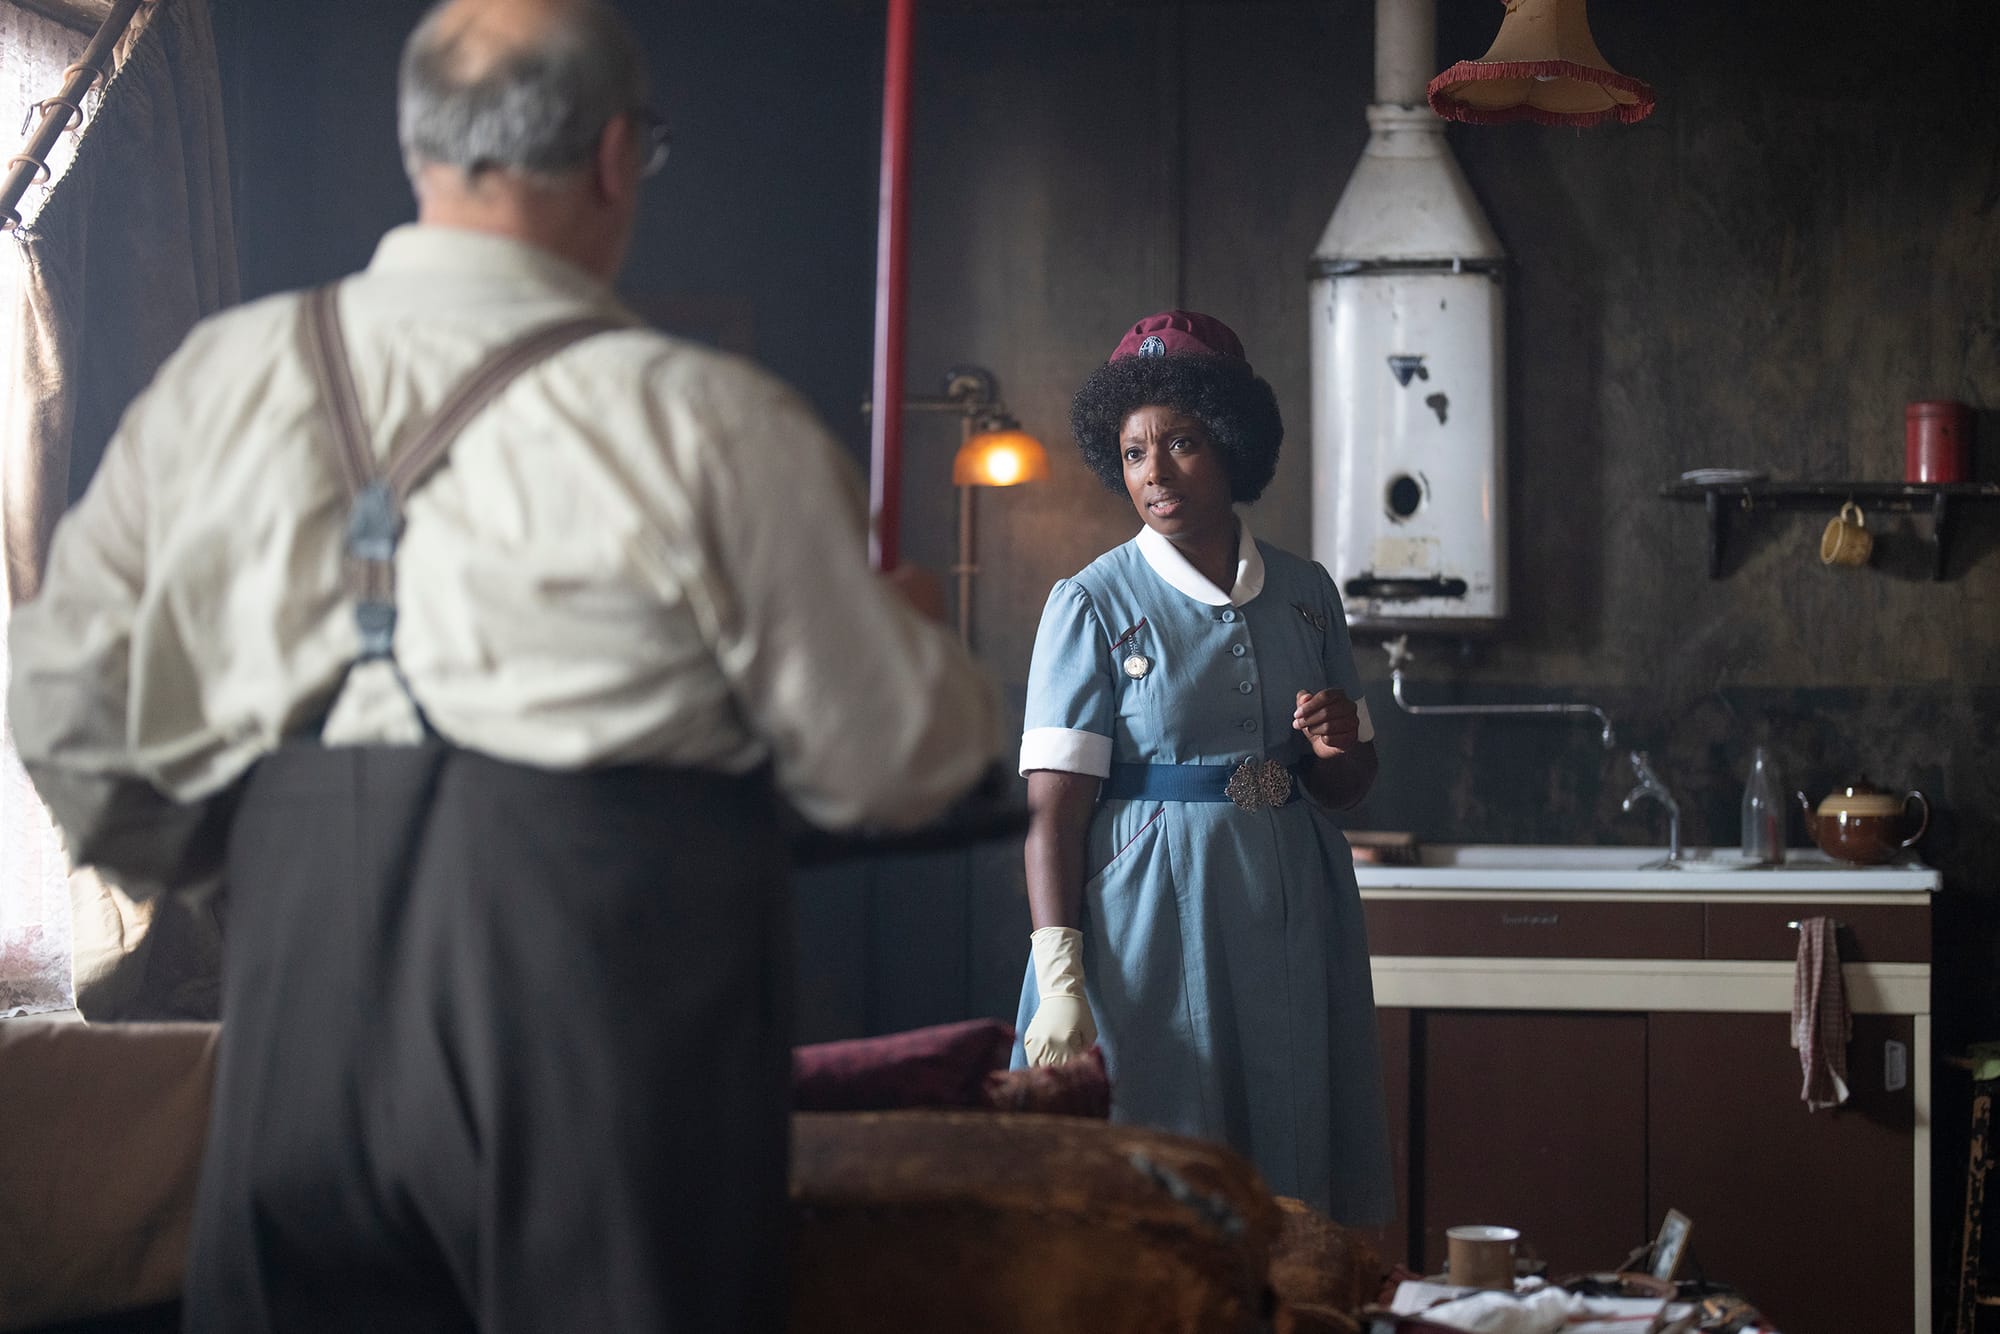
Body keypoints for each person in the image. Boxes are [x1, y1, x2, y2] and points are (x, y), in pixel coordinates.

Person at [7, 0, 1001, 1327]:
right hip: (610, 1056)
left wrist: (241, 877)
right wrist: (916, 631)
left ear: (420, 147)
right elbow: (907, 762)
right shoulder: (705, 423)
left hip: (298, 1033)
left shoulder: (218, 385)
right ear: (612, 157)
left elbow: (59, 706)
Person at [1010, 310, 1392, 1224]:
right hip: (1147, 914)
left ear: (1231, 443)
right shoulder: (1091, 604)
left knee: (1291, 1154)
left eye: (1180, 443)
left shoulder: (1307, 594)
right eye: (1135, 452)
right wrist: (1060, 974)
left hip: (1293, 899)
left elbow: (1345, 785)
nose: (1155, 473)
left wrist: (1342, 745)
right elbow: (1054, 815)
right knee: (1162, 1156)